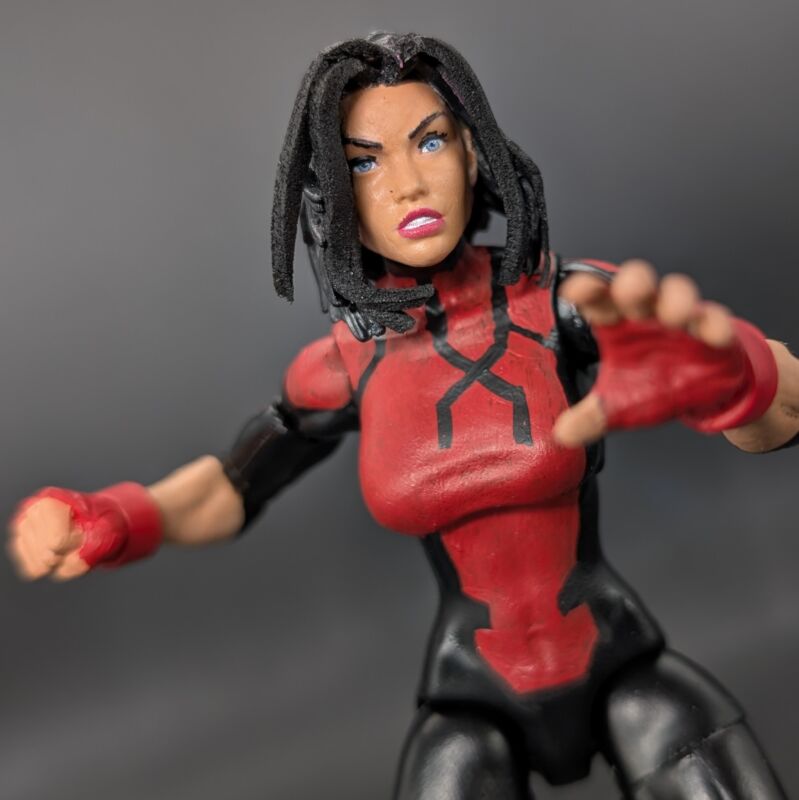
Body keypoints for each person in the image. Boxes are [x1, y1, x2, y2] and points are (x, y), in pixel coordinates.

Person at [8, 32, 799, 800]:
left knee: (685, 742)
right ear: (335, 194)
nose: (408, 184)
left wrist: (736, 377)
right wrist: (118, 518)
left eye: (429, 142)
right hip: (473, 700)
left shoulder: (567, 304)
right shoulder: (342, 366)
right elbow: (230, 488)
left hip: (623, 666)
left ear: (471, 154)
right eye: (365, 161)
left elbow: (782, 399)